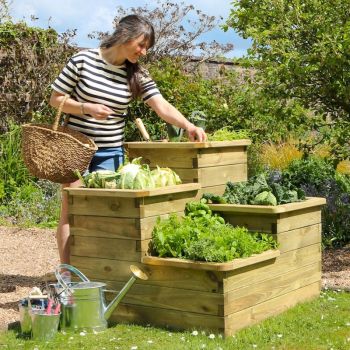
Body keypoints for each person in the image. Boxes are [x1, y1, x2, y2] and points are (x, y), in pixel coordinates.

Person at [49, 14, 207, 264]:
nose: (144, 52)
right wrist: (86, 108)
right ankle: (68, 275)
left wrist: (188, 125)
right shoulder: (83, 60)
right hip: (75, 151)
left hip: (110, 153)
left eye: (147, 48)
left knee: (106, 217)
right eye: (141, 45)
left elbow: (160, 105)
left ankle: (98, 273)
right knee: (73, 214)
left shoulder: (136, 74)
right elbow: (56, 99)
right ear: (125, 36)